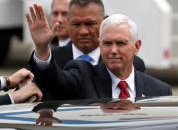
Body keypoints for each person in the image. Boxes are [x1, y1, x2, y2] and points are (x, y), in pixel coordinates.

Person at [28, 13, 172, 101]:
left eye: (121, 43)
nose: (113, 50)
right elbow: (55, 81)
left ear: (137, 46)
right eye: (107, 43)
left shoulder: (160, 91)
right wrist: (42, 48)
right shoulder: (83, 76)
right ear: (100, 44)